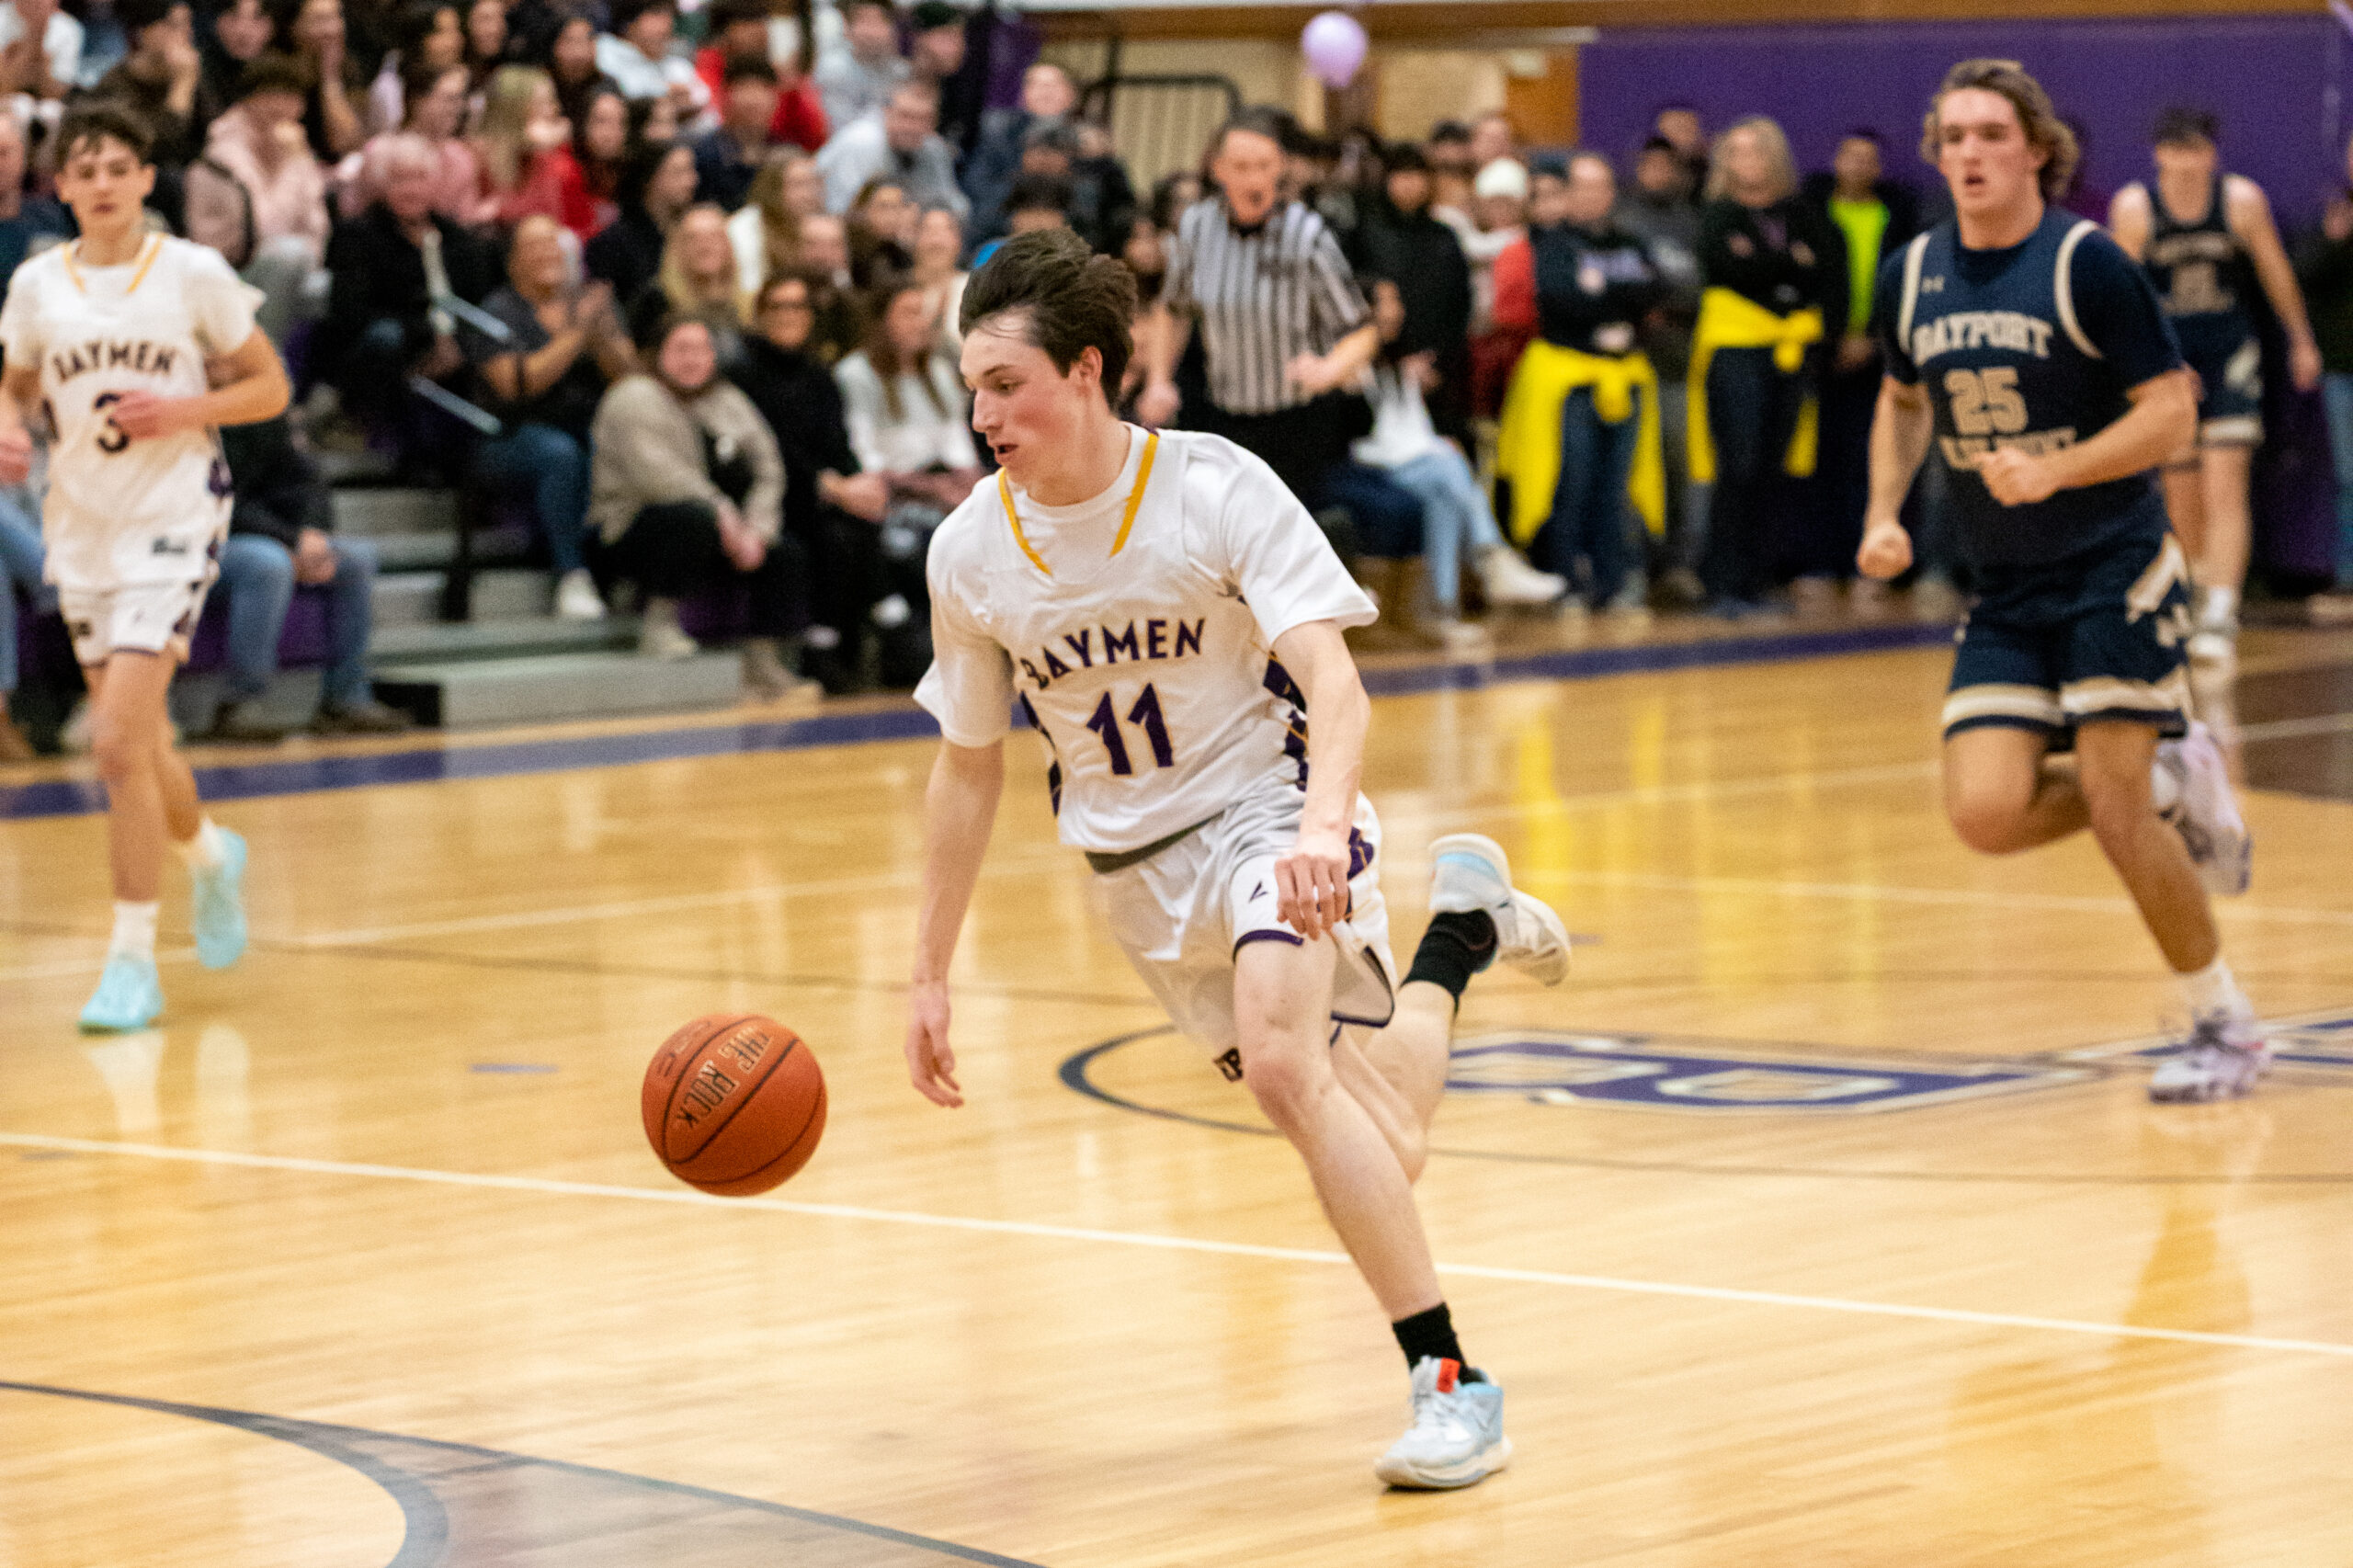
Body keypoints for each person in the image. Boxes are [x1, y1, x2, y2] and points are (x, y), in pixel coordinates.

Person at [908, 227, 1568, 1489]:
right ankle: (1463, 932)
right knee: (1385, 1135)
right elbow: (970, 764)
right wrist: (928, 970)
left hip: (1271, 813)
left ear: (1088, 371)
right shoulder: (970, 551)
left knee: (1279, 1066)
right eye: (973, 385)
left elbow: (1332, 675)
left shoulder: (1212, 486)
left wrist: (1325, 829)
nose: (983, 411)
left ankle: (1451, 1382)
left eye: (1007, 384)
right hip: (1137, 881)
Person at [1856, 59, 2261, 1103]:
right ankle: (2178, 778)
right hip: (2005, 582)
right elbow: (1903, 400)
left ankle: (2224, 1023)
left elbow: (2172, 411)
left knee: (2118, 811)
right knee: (1985, 813)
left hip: (2113, 565)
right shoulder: (1908, 274)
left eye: (1992, 133)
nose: (1970, 154)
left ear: (2037, 148)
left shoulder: (2088, 264)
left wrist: (2058, 467)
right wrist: (1883, 515)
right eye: (1952, 137)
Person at [0, 101, 290, 1029]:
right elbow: (14, 383)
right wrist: (7, 428)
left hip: (174, 514)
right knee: (145, 739)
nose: (101, 184)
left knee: (116, 739)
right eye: (84, 170)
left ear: (145, 179)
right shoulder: (39, 283)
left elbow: (270, 384)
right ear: (62, 186)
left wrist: (184, 408)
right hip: (82, 523)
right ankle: (208, 855)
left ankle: (131, 958)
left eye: (117, 166)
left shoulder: (193, 273)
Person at [2110, 108, 2321, 664]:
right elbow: (2121, 297)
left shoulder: (2240, 200)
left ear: (2212, 153)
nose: (2185, 161)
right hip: (2169, 360)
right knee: (2180, 490)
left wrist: (2301, 339)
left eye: (2196, 149)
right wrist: (2127, 367)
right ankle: (2194, 591)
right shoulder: (2135, 208)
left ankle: (2221, 609)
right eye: (2175, 150)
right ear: (2158, 153)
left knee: (2225, 482)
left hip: (2230, 352)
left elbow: (2276, 271)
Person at [588, 311, 808, 694]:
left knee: (785, 552)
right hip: (626, 531)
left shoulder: (727, 399)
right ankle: (658, 627)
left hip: (720, 529)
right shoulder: (633, 395)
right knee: (690, 519)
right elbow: (658, 478)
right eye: (681, 349)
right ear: (656, 354)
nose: (693, 359)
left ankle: (763, 660)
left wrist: (757, 528)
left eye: (702, 350)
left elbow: (769, 468)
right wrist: (723, 512)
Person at [1496, 151, 1666, 614]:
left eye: (1601, 186)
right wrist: (1611, 303)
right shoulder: (1551, 243)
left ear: (1612, 192)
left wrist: (1603, 294)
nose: (1593, 195)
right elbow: (1558, 298)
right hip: (1571, 381)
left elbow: (1654, 291)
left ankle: (1612, 582)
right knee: (1572, 480)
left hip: (1624, 377)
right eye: (1583, 186)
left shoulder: (1629, 241)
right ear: (1568, 194)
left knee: (1616, 485)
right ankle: (1568, 579)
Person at [1692, 115, 1846, 616]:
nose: (1747, 161)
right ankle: (1723, 582)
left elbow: (1823, 270)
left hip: (1789, 353)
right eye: (1736, 151)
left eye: (1757, 150)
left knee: (1774, 467)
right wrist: (1786, 267)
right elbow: (1729, 268)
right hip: (1736, 350)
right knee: (1738, 462)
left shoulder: (1803, 212)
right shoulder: (1717, 214)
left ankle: (1759, 579)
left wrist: (1767, 265)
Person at [1356, 277, 1563, 640]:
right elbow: (1367, 435)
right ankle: (1491, 556)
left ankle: (1444, 612)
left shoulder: (1402, 361)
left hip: (1408, 460)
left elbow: (1411, 430)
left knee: (1445, 494)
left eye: (1396, 302)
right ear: (1363, 309)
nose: (1396, 312)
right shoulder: (1348, 360)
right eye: (1387, 302)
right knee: (1450, 466)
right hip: (1366, 463)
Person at [208, 402, 411, 741]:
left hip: (269, 536)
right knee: (268, 564)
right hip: (205, 540)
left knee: (356, 560)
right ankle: (241, 702)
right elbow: (221, 501)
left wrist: (311, 532)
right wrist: (287, 540)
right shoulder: (196, 415)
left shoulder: (262, 410)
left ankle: (345, 699)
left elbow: (306, 475)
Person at [469, 214, 634, 621]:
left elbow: (631, 377)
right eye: (534, 246)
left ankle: (621, 570)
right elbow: (517, 384)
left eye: (554, 245)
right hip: (510, 433)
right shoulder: (498, 310)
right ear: (513, 262)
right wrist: (577, 334)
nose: (548, 253)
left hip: (587, 425)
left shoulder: (592, 303)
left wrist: (606, 336)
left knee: (617, 447)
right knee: (559, 454)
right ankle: (571, 574)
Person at [734, 267, 888, 692]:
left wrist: (861, 482)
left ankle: (862, 643)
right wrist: (835, 488)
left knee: (865, 524)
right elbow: (767, 451)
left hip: (826, 490)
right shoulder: (746, 374)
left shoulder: (820, 374)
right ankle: (820, 648)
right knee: (829, 534)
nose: (789, 314)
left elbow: (839, 443)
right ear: (761, 313)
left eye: (798, 305)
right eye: (779, 306)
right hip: (774, 493)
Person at [319, 131, 498, 457]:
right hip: (386, 349)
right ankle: (366, 425)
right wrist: (430, 337)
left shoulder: (461, 242)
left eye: (420, 178)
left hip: (454, 348)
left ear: (435, 183)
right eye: (400, 180)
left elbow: (479, 301)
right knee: (385, 338)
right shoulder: (358, 235)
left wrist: (455, 342)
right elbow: (349, 314)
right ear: (382, 185)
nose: (411, 189)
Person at [1802, 129, 1920, 612]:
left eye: (1868, 159)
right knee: (1819, 460)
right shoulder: (1814, 213)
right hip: (1819, 354)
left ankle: (1875, 564)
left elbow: (1900, 284)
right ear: (1836, 161)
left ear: (1879, 168)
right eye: (1849, 156)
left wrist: (1871, 338)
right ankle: (1821, 563)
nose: (1858, 166)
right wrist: (1834, 338)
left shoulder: (1896, 217)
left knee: (1872, 459)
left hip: (1882, 354)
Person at [192, 52, 331, 343]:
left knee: (330, 286)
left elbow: (319, 229)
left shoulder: (293, 147)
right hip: (228, 272)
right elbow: (262, 228)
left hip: (283, 266)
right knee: (289, 255)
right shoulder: (224, 151)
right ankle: (263, 359)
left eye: (293, 98)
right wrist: (291, 163)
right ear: (250, 99)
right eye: (274, 95)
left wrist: (297, 159)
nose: (284, 107)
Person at [1350, 142, 1473, 449]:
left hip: (1440, 372)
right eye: (1401, 175)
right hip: (1378, 372)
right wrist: (1397, 362)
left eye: (1417, 175)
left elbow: (1460, 306)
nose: (1409, 184)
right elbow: (1352, 301)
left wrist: (1437, 362)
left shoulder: (1444, 236)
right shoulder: (1364, 233)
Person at [2296, 131, 2353, 619]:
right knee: (2350, 476)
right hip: (2343, 368)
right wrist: (2336, 242)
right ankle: (2349, 580)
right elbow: (2305, 280)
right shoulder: (2335, 215)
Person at [343, 57, 479, 222]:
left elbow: (466, 221)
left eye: (461, 99)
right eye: (450, 99)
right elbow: (355, 213)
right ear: (418, 100)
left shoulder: (461, 158)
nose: (458, 108)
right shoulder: (381, 150)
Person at [814, 77, 965, 221]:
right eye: (906, 116)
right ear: (886, 112)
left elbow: (955, 206)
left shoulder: (932, 148)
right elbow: (845, 211)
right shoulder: (862, 142)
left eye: (923, 119)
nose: (912, 127)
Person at [472, 62, 593, 236]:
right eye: (544, 103)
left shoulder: (556, 160)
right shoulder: (475, 156)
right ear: (515, 110)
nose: (555, 109)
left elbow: (559, 221)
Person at [584, 135, 698, 309]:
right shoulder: (613, 244)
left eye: (691, 171)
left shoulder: (692, 236)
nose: (691, 181)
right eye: (678, 172)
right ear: (650, 178)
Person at [270, 0, 364, 159]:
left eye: (336, 17)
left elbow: (350, 143)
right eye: (320, 20)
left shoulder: (347, 67)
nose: (332, 29)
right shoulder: (274, 72)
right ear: (293, 25)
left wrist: (329, 79)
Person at [726, 145, 823, 298]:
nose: (809, 194)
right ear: (773, 188)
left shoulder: (821, 226)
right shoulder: (745, 228)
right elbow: (749, 291)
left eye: (814, 183)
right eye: (799, 185)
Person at [596, 0, 708, 127]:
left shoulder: (675, 63)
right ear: (630, 21)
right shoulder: (605, 50)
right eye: (657, 14)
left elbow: (701, 95)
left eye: (669, 15)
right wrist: (667, 91)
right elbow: (625, 90)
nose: (667, 25)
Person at [691, 55, 777, 210]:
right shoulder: (706, 156)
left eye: (762, 89)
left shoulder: (784, 152)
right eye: (745, 88)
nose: (754, 100)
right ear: (725, 95)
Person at [812, 0, 902, 135]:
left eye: (881, 22)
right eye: (865, 22)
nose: (873, 32)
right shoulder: (833, 69)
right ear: (847, 28)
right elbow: (842, 129)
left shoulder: (900, 71)